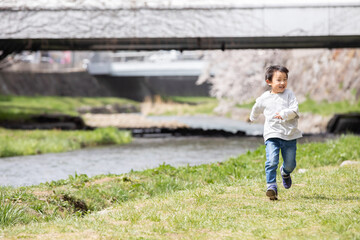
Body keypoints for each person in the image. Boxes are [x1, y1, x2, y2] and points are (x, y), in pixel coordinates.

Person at [249, 65, 302, 200]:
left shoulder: (289, 95)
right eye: (279, 80)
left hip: (289, 134)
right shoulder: (264, 98)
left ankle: (285, 172)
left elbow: (295, 110)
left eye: (285, 79)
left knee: (290, 163)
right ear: (269, 82)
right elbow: (257, 108)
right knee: (272, 160)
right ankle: (271, 186)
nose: (282, 83)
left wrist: (284, 114)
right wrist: (252, 117)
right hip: (272, 134)